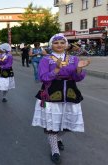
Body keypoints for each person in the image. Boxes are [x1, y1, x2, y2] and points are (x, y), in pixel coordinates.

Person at [32, 33, 90, 164]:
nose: (59, 45)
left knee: (69, 122)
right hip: (51, 93)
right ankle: (54, 150)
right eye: (56, 43)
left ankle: (58, 138)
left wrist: (79, 69)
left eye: (62, 42)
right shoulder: (45, 59)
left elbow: (78, 78)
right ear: (51, 45)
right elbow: (43, 77)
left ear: (66, 44)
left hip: (70, 93)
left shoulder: (74, 59)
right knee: (52, 123)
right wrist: (56, 70)